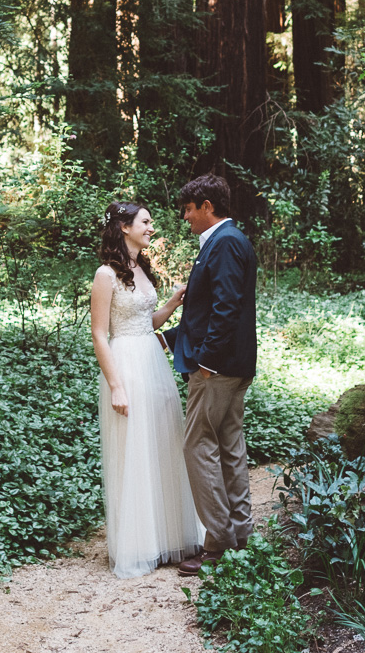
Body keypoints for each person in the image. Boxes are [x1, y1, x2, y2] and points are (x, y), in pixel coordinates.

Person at [90, 200, 203, 577]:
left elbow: (145, 321)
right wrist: (116, 386)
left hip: (153, 362)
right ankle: (138, 545)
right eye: (145, 222)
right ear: (124, 227)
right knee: (134, 450)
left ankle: (166, 537)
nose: (151, 227)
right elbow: (100, 334)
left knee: (162, 442)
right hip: (126, 364)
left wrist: (172, 301)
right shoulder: (105, 274)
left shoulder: (141, 268)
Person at [158, 174, 259, 576]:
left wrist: (207, 361)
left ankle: (217, 545)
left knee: (197, 446)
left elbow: (227, 307)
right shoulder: (226, 242)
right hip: (231, 365)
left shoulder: (225, 242)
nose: (185, 217)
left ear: (206, 205)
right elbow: (207, 310)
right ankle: (238, 534)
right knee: (229, 445)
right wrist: (171, 340)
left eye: (188, 209)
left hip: (218, 370)